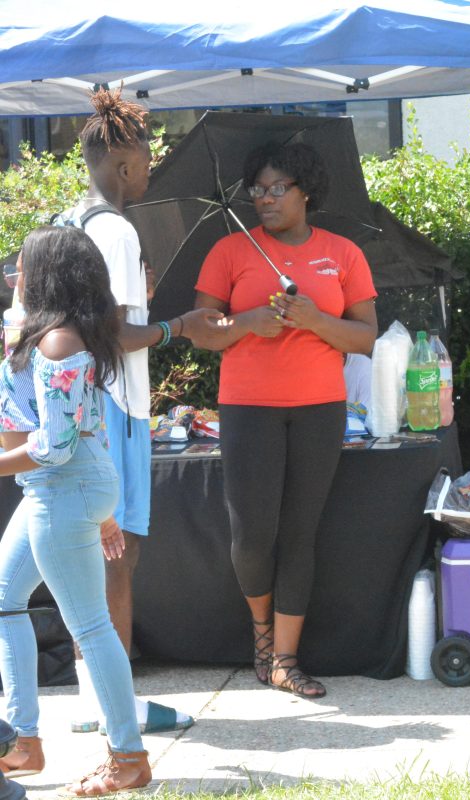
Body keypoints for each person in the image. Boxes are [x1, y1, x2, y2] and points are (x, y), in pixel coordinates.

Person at [194, 141, 378, 698]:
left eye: (278, 189)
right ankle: (262, 634)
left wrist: (315, 319)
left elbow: (365, 337)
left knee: (300, 535)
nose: (265, 199)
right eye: (258, 190)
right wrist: (248, 321)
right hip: (248, 408)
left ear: (305, 193)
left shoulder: (342, 253)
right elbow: (201, 332)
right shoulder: (230, 250)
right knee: (253, 536)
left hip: (320, 408)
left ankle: (286, 661)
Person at [66, 88, 222, 736]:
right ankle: (118, 710)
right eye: (148, 156)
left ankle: (89, 705)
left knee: (87, 557)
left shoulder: (71, 219)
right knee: (118, 558)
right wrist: (177, 325)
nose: (151, 167)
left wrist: (142, 306)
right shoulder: (120, 230)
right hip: (117, 411)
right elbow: (118, 334)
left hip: (80, 408)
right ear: (124, 163)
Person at [0, 227, 151, 795]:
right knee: (4, 597)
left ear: (46, 276)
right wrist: (103, 507)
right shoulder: (59, 334)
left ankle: (127, 758)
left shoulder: (58, 342)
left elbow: (56, 445)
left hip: (62, 486)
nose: (16, 279)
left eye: (22, 269)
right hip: (68, 488)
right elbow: (83, 428)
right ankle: (23, 741)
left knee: (90, 627)